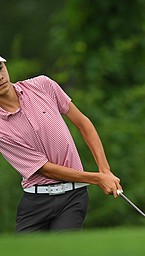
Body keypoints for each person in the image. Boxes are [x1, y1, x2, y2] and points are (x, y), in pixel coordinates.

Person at [0, 55, 122, 232]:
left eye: (0, 69)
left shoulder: (42, 85)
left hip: (73, 199)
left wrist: (105, 170)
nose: (0, 77)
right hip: (36, 203)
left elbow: (83, 123)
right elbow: (44, 168)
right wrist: (97, 178)